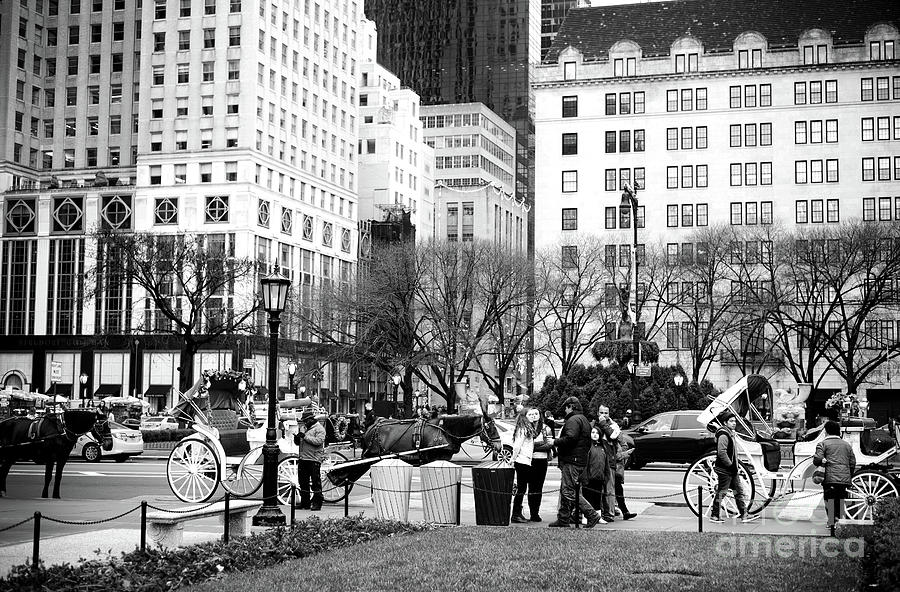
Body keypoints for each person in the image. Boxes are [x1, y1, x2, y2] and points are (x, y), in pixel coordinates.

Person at [549, 396, 603, 528]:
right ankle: (563, 519)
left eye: (566, 408)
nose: (565, 411)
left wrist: (554, 442)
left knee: (568, 491)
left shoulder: (573, 420)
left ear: (571, 407)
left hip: (572, 460)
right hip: (580, 460)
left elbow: (571, 438)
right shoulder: (583, 419)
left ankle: (591, 514)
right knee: (568, 490)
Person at [710, 411, 758, 523]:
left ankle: (744, 514)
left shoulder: (729, 433)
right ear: (725, 422)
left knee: (738, 491)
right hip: (725, 469)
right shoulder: (723, 434)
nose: (734, 423)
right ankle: (715, 515)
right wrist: (730, 465)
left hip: (732, 469)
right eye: (731, 421)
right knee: (722, 492)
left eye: (735, 421)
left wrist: (734, 466)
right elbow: (722, 452)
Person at [510, 407, 554, 523]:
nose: (534, 416)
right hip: (527, 461)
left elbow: (549, 444)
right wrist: (538, 445)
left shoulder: (545, 428)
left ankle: (535, 513)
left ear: (540, 415)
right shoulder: (525, 427)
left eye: (536, 414)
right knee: (522, 487)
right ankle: (516, 513)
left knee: (537, 488)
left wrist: (533, 446)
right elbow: (520, 444)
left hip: (541, 461)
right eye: (531, 414)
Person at [813, 420, 856, 529]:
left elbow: (817, 459)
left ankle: (831, 522)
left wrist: (819, 461)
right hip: (844, 478)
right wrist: (848, 474)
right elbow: (852, 462)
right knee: (841, 499)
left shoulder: (823, 444)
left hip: (829, 478)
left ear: (826, 432)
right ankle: (840, 520)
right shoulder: (847, 445)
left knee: (830, 499)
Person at [294, 407, 326, 510]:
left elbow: (318, 442)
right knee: (303, 482)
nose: (305, 423)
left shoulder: (320, 429)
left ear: (311, 420)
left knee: (315, 483)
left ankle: (317, 503)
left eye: (306, 421)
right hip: (303, 458)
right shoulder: (305, 429)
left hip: (314, 459)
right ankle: (305, 503)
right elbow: (299, 442)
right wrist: (297, 438)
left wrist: (304, 436)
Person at [581, 425, 610, 523]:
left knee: (597, 498)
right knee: (588, 498)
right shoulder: (588, 447)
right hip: (589, 478)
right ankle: (586, 517)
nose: (595, 435)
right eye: (593, 432)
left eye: (597, 433)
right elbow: (585, 464)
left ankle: (598, 517)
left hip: (599, 478)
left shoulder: (603, 447)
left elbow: (606, 463)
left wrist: (606, 476)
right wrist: (585, 477)